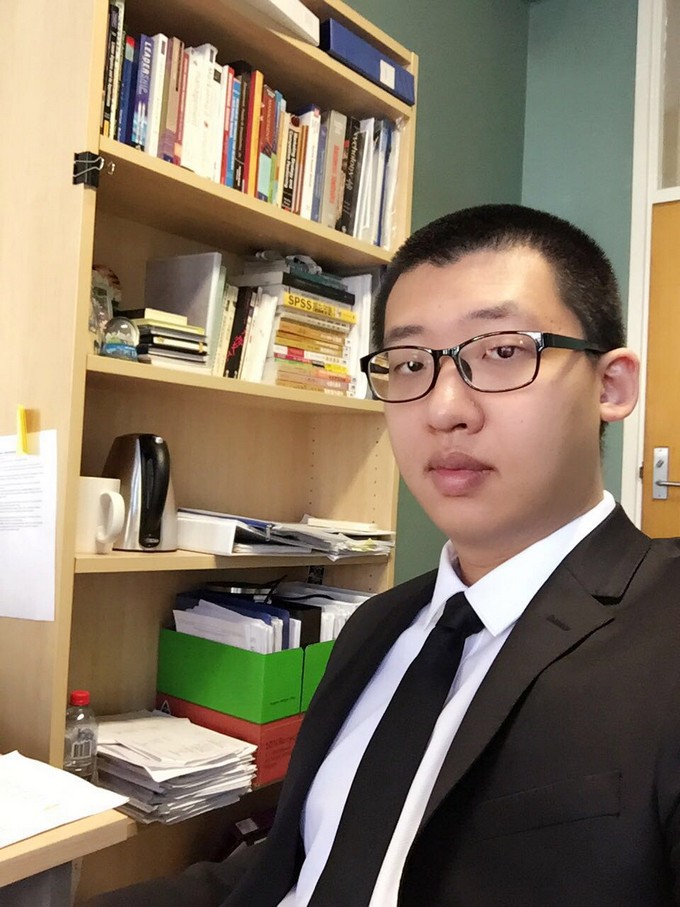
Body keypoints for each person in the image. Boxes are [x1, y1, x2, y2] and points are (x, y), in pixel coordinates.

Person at [89, 204, 680, 907]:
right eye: (409, 364)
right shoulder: (376, 626)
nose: (444, 408)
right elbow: (299, 864)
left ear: (611, 386)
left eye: (502, 352)